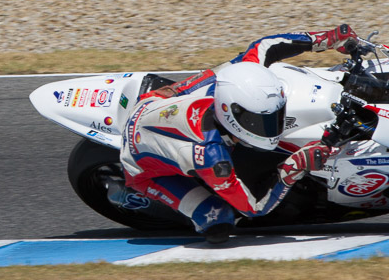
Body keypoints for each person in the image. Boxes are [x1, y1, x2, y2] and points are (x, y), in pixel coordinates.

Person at [111, 25, 358, 244]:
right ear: (233, 114)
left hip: (156, 102)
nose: (270, 126)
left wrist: (325, 39)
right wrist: (294, 168)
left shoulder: (236, 78)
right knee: (220, 220)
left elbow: (266, 46)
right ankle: (125, 193)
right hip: (141, 167)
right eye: (260, 121)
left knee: (216, 73)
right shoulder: (212, 159)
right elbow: (254, 208)